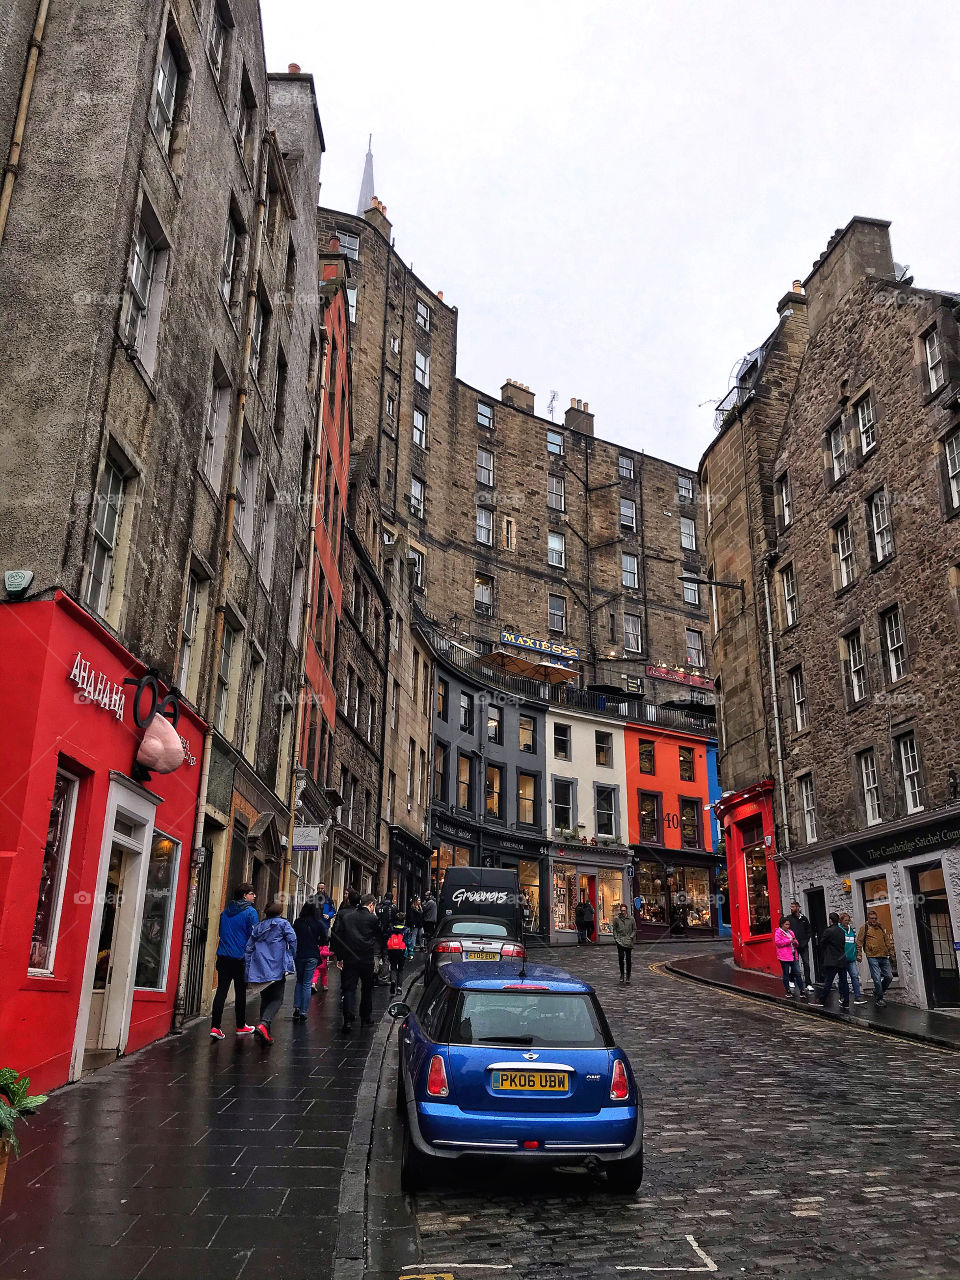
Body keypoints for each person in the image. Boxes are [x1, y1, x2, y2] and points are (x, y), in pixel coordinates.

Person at [210, 882, 258, 1039]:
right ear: (245, 895)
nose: (254, 896)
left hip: (223, 956)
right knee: (240, 992)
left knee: (221, 991)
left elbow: (220, 931)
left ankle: (215, 1027)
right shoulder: (251, 912)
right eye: (252, 893)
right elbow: (254, 935)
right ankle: (240, 1025)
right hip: (240, 957)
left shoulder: (225, 912)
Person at [245, 900, 297, 1044]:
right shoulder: (283, 924)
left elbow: (249, 947)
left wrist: (248, 968)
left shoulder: (259, 926)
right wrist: (291, 955)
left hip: (260, 966)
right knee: (277, 999)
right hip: (276, 965)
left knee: (265, 998)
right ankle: (264, 1024)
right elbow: (292, 940)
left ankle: (264, 1031)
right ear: (280, 912)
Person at [331, 892, 381, 1031]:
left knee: (349, 989)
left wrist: (340, 957)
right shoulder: (372, 919)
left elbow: (338, 936)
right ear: (371, 905)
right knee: (366, 989)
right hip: (366, 959)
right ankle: (365, 1016)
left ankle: (347, 1019)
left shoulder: (347, 917)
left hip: (349, 958)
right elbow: (379, 936)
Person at [292, 902, 327, 1021]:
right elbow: (324, 940)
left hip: (299, 954)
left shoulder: (297, 922)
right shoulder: (319, 923)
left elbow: (293, 937)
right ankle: (303, 1011)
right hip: (312, 954)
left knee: (299, 981)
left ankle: (296, 1007)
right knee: (307, 983)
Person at [857, 909, 896, 1007]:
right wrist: (859, 954)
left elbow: (886, 940)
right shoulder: (864, 928)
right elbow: (859, 942)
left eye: (875, 918)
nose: (874, 920)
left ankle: (877, 991)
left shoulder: (880, 928)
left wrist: (891, 952)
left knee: (889, 977)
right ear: (868, 919)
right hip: (872, 956)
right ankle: (879, 999)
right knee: (877, 978)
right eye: (872, 918)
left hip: (883, 955)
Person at [818, 912, 850, 1012]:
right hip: (841, 960)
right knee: (844, 981)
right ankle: (846, 1002)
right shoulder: (842, 931)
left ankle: (822, 1000)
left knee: (828, 981)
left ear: (830, 920)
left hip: (831, 960)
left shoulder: (828, 931)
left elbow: (822, 943)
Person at [786, 899, 815, 991]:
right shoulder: (789, 919)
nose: (792, 908)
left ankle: (808, 983)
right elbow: (787, 931)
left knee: (806, 963)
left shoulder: (804, 919)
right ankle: (791, 979)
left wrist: (806, 941)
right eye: (791, 907)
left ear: (798, 907)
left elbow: (809, 931)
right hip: (794, 945)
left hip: (804, 945)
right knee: (795, 964)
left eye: (793, 907)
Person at [839, 911, 867, 1006]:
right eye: (846, 920)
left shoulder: (851, 930)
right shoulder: (838, 929)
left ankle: (857, 997)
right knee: (843, 979)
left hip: (851, 958)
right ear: (841, 920)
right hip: (842, 959)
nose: (847, 922)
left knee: (855, 976)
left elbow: (854, 943)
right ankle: (842, 996)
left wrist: (857, 954)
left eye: (848, 920)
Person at [774, 915, 805, 998]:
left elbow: (796, 942)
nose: (788, 926)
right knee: (786, 973)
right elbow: (778, 943)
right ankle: (788, 991)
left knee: (798, 973)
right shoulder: (778, 932)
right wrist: (789, 941)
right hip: (784, 956)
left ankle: (802, 991)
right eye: (786, 924)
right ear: (781, 924)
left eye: (788, 924)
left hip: (793, 955)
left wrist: (795, 942)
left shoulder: (790, 932)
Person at [612, 903, 636, 984]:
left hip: (628, 942)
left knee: (628, 960)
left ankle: (628, 976)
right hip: (620, 941)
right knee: (621, 959)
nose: (623, 912)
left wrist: (631, 937)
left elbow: (634, 929)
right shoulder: (616, 919)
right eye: (621, 910)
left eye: (624, 910)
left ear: (626, 910)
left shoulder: (631, 919)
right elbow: (614, 929)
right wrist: (616, 938)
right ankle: (622, 975)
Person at [386, 912, 409, 994]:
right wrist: (410, 953)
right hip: (401, 950)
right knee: (401, 969)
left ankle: (393, 980)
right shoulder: (406, 929)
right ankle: (399, 987)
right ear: (404, 921)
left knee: (393, 967)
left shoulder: (391, 929)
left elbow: (387, 938)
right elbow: (408, 942)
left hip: (392, 949)